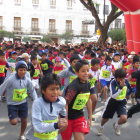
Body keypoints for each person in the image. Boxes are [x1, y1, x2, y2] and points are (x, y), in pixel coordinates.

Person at [0, 61, 37, 140]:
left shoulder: (27, 80)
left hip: (23, 103)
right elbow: (2, 87)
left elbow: (32, 90)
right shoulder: (10, 79)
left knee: (24, 120)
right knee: (14, 122)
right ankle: (14, 114)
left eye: (24, 70)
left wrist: (36, 101)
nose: (23, 72)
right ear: (17, 70)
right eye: (21, 70)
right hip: (12, 104)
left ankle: (21, 135)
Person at [26, 74, 68, 140]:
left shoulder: (61, 101)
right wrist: (56, 125)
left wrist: (63, 121)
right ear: (43, 90)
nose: (55, 92)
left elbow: (63, 114)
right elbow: (38, 126)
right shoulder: (38, 103)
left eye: (57, 89)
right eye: (52, 89)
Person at [61, 60, 92, 140]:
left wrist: (90, 117)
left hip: (79, 117)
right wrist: (65, 119)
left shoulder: (88, 84)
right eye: (83, 71)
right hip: (68, 119)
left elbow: (88, 100)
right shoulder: (73, 87)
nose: (86, 73)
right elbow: (66, 103)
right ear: (77, 73)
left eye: (87, 70)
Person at [97, 68, 133, 136]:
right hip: (113, 102)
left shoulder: (126, 81)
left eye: (123, 78)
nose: (122, 80)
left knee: (124, 118)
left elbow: (130, 89)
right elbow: (113, 95)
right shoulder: (113, 82)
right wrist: (120, 87)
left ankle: (116, 125)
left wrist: (130, 94)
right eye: (120, 78)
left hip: (122, 102)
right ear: (116, 77)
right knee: (106, 118)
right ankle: (101, 127)